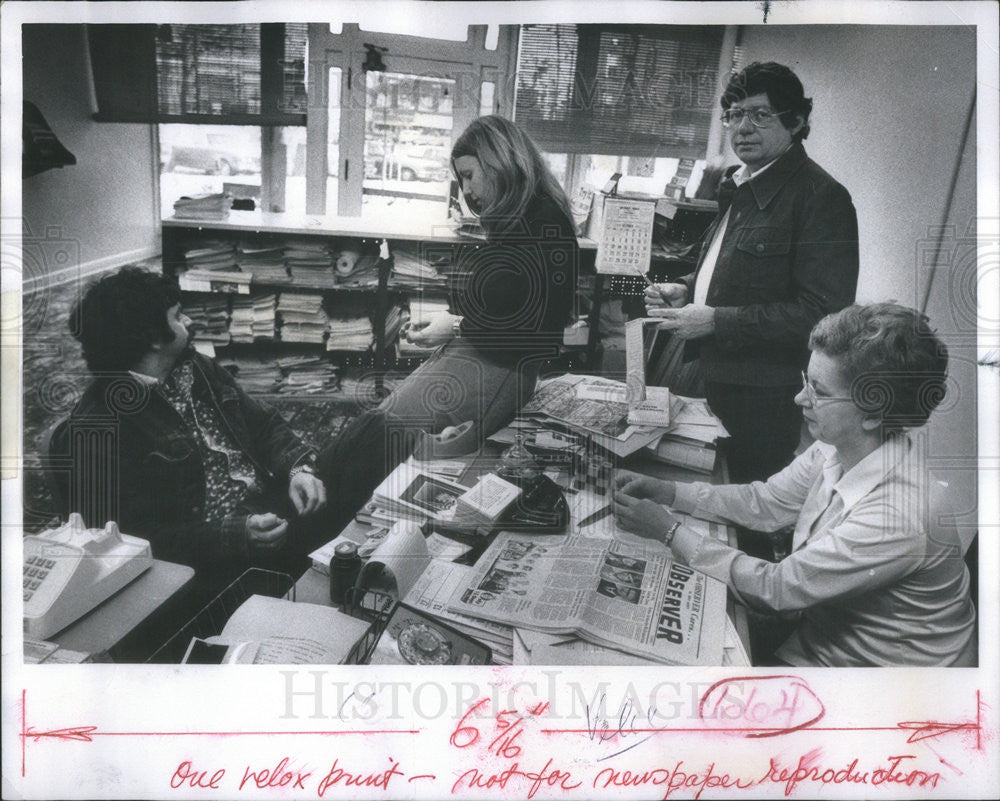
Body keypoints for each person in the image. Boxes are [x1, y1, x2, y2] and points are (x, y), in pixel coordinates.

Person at [614, 303, 976, 667]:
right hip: (826, 637)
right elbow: (766, 501)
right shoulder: (837, 446)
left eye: (818, 390)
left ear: (872, 412)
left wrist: (669, 531)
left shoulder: (896, 515)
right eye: (807, 381)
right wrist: (670, 492)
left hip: (885, 686)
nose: (800, 398)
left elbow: (777, 588)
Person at [319, 115, 578, 510]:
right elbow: (502, 299)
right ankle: (314, 493)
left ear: (500, 162)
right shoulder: (519, 219)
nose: (467, 190)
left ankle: (321, 517)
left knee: (383, 440)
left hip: (499, 370)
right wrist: (453, 321)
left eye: (471, 176)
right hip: (480, 357)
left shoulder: (545, 225)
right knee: (375, 427)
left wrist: (457, 325)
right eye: (462, 179)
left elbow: (541, 336)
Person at [51, 267, 328, 595]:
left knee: (372, 431)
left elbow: (264, 424)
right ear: (153, 338)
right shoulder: (96, 428)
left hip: (275, 507)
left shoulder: (194, 365)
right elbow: (128, 540)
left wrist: (297, 469)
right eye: (178, 316)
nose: (190, 322)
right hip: (217, 559)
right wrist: (232, 535)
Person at [645, 62, 859, 483]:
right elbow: (729, 268)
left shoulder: (823, 198)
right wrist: (686, 289)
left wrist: (715, 320)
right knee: (691, 486)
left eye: (760, 115)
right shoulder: (741, 183)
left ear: (796, 122)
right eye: (735, 114)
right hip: (707, 373)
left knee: (745, 501)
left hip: (760, 397)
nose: (742, 127)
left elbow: (823, 315)